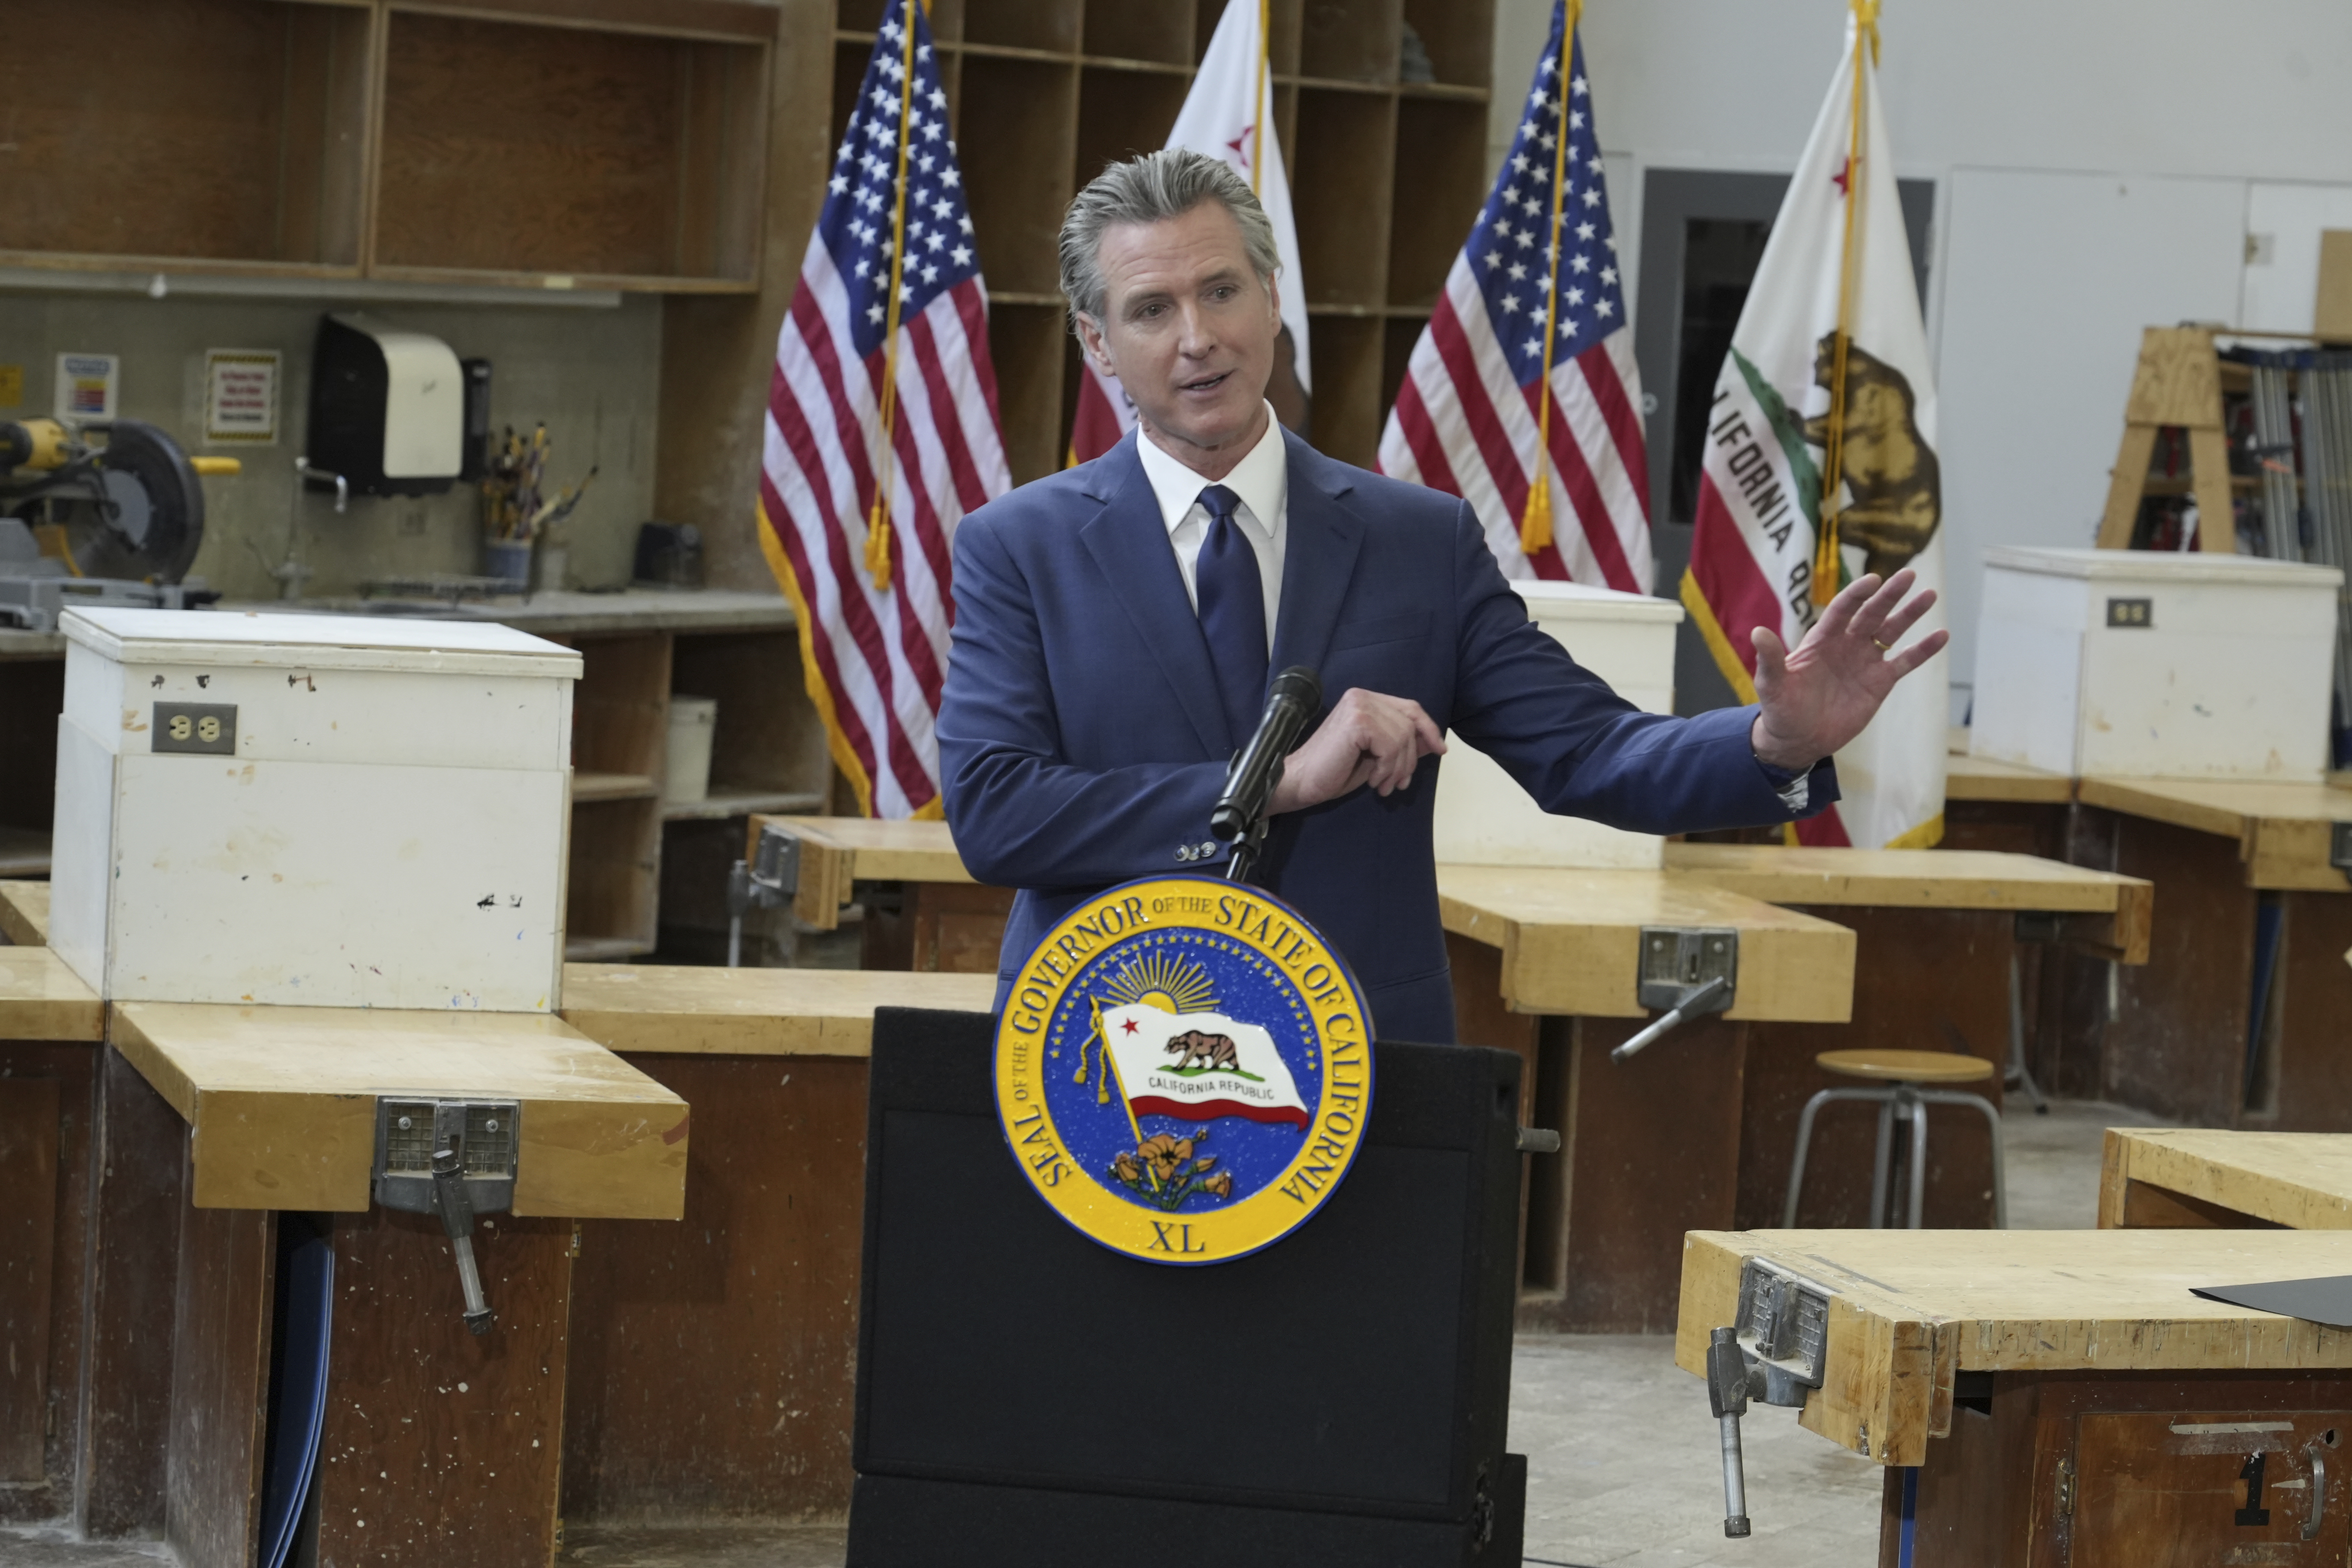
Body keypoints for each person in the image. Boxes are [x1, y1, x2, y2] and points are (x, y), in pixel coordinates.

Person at [937, 149, 1946, 1043]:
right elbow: (996, 814)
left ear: (1273, 299)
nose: (1198, 336)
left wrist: (1773, 746)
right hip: (1095, 1056)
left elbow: (1588, 750)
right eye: (1152, 310)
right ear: (1097, 344)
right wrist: (1277, 784)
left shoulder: (1417, 540)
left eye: (1222, 291)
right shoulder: (1018, 548)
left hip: (1362, 1059)